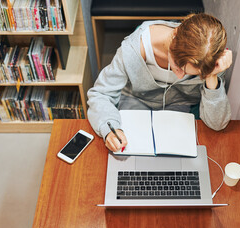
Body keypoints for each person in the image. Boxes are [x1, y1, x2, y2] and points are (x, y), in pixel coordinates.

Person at [87, 13, 232, 152]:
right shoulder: (133, 50)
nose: (180, 77)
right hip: (136, 102)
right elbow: (100, 94)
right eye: (178, 65)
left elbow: (217, 124)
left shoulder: (211, 62)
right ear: (174, 35)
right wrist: (110, 130)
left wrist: (211, 75)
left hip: (180, 108)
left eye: (190, 74)